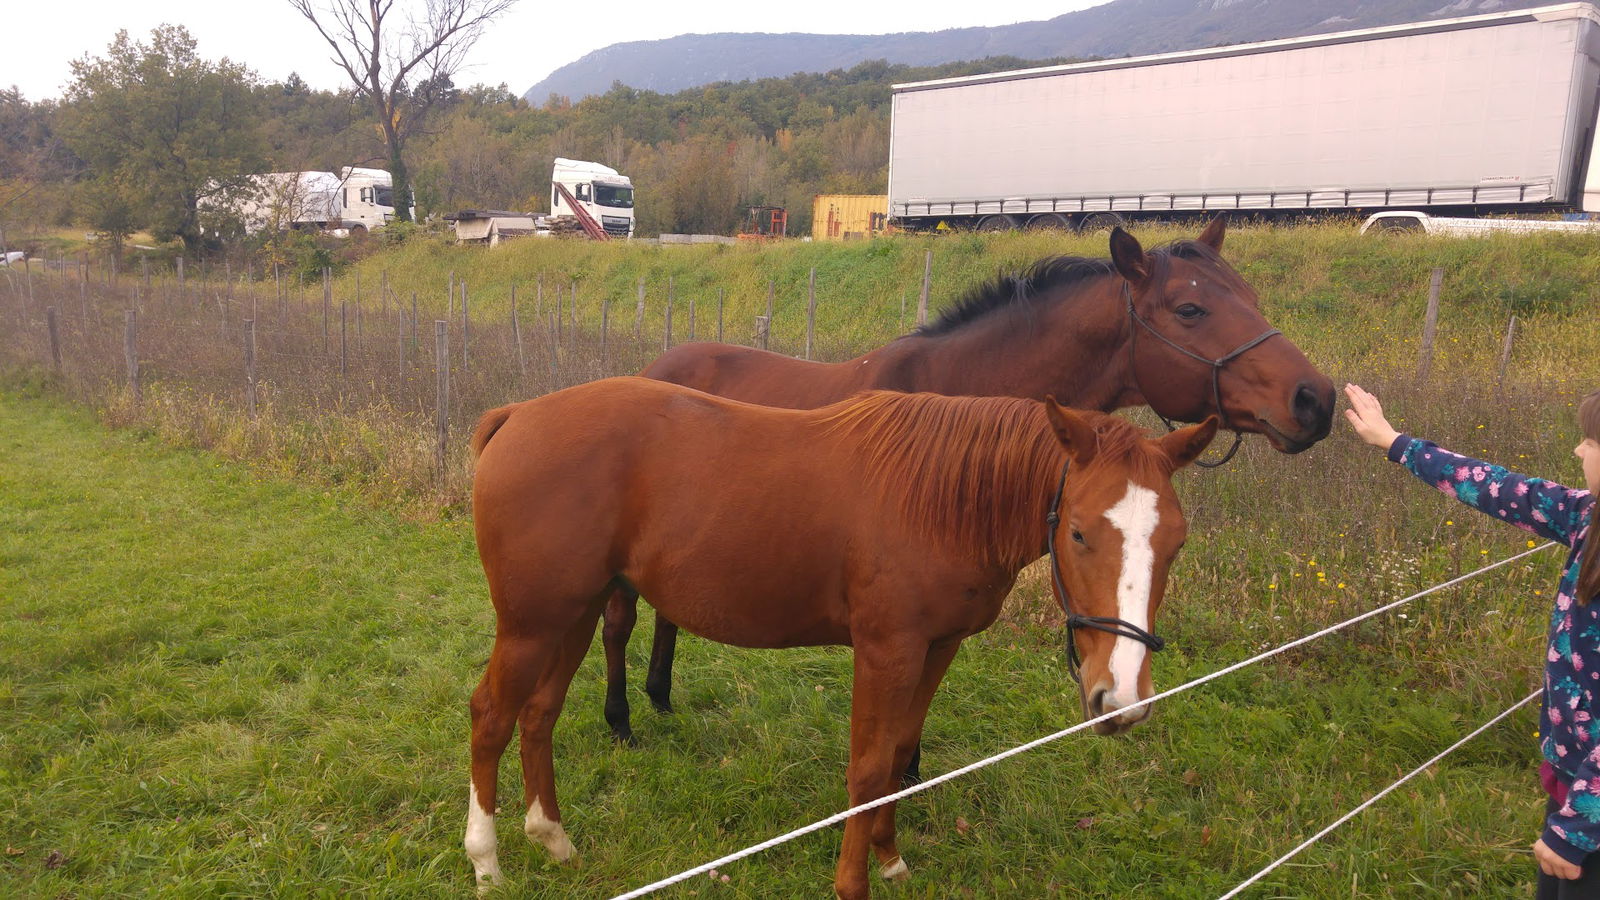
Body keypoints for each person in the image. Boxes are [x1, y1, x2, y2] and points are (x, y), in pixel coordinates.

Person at [1344, 383, 1600, 895]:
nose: (1578, 449)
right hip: (1574, 782)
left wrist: (1577, 827)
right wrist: (1394, 442)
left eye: (1591, 441)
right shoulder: (1586, 517)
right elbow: (1495, 486)